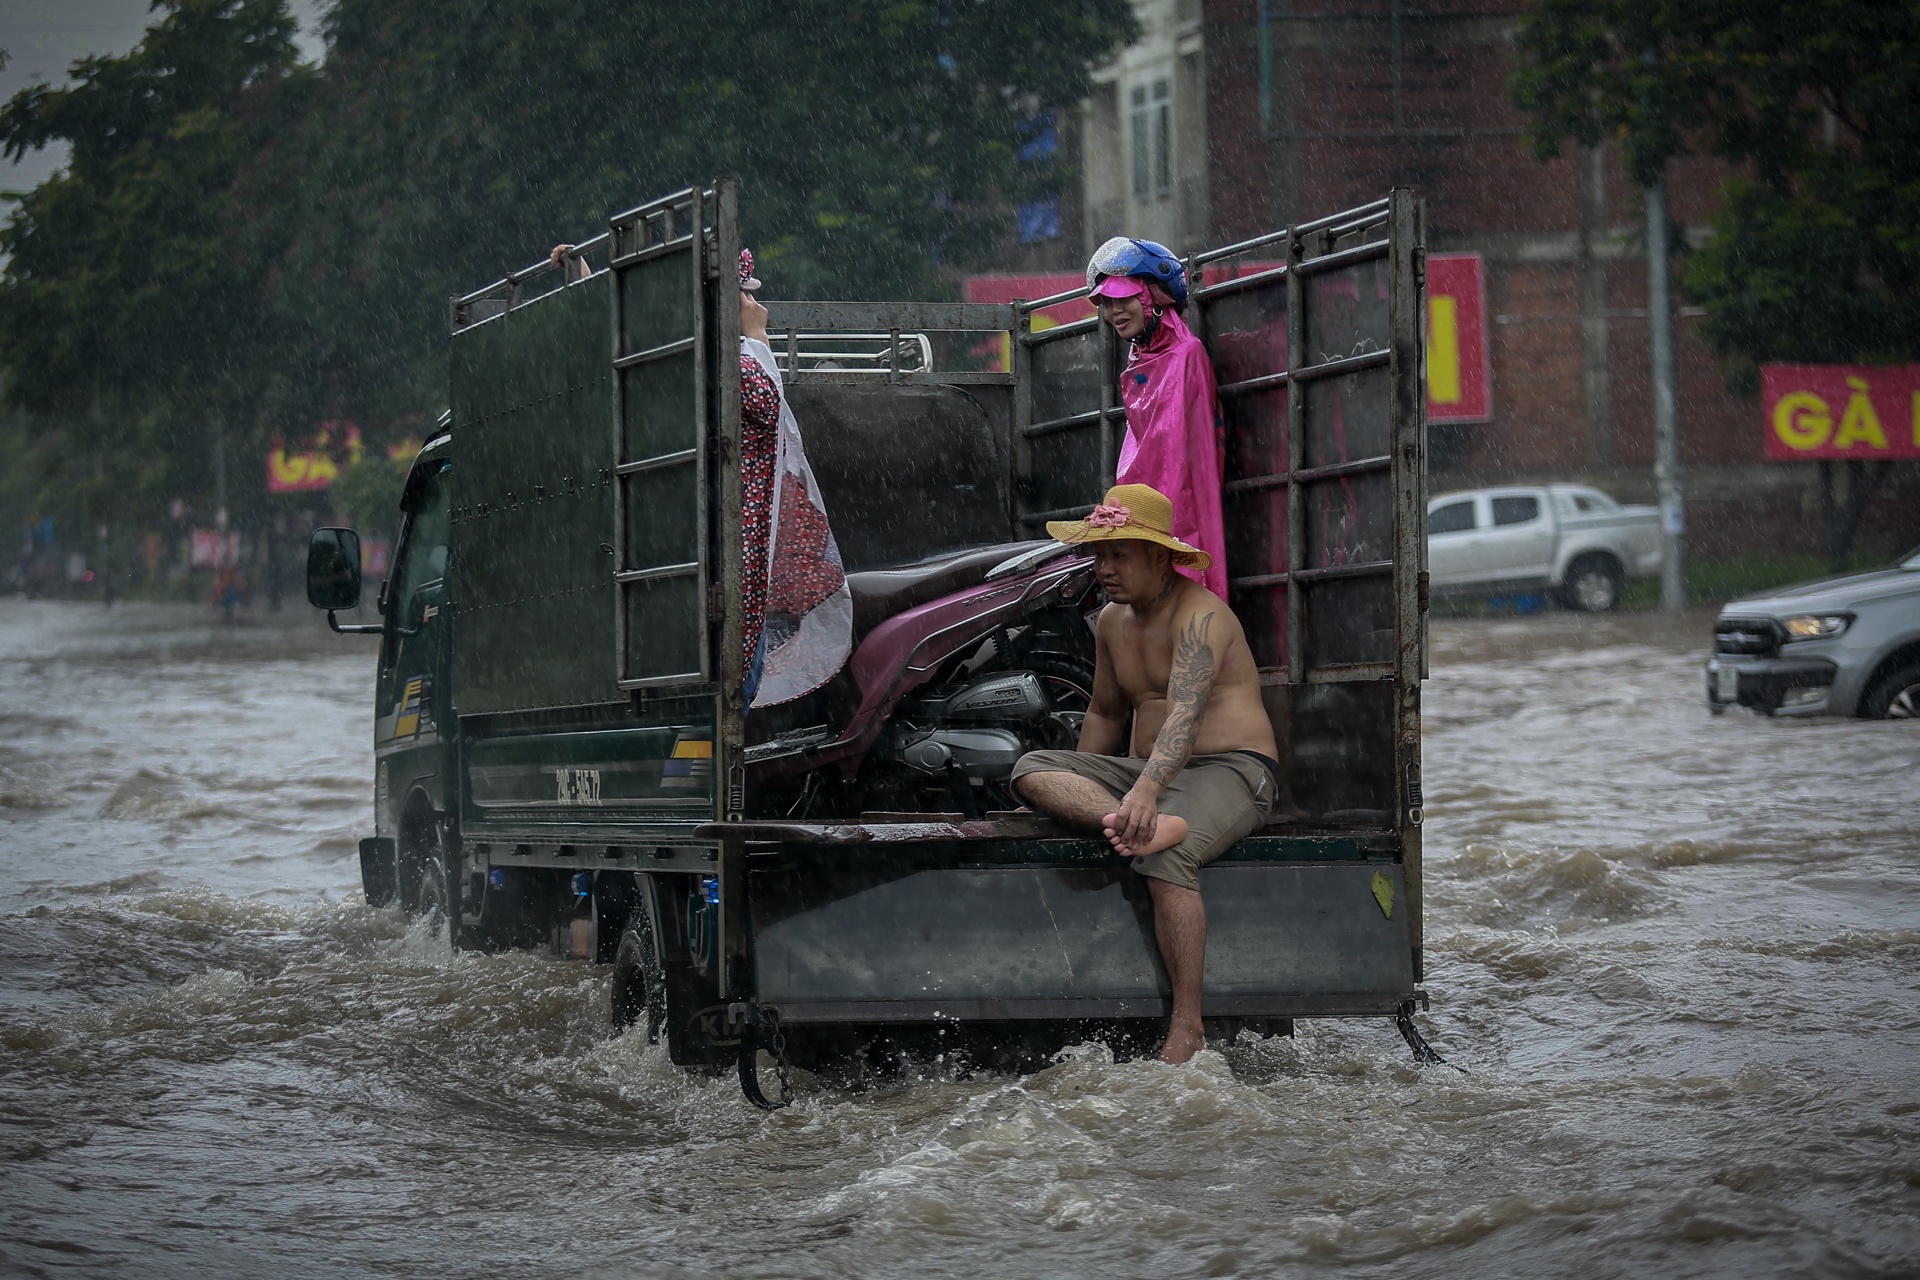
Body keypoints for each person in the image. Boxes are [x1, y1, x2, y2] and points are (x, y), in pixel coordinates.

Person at [1010, 483, 1279, 1064]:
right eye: (1098, 555)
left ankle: (1187, 1025)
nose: (1104, 569)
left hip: (1232, 770)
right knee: (1031, 769)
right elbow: (1105, 713)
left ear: (1160, 556)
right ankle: (1128, 823)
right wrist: (1085, 790)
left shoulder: (1202, 616)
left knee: (1165, 855)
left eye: (1119, 555)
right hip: (1145, 776)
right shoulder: (1110, 622)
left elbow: (1184, 714)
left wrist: (1149, 790)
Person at [1086, 237, 1229, 598]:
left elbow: (1185, 469)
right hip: (1143, 521)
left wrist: (1158, 540)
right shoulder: (1139, 359)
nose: (1114, 311)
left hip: (1169, 526)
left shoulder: (1185, 356)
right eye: (1107, 302)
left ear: (1153, 298)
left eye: (1123, 298)